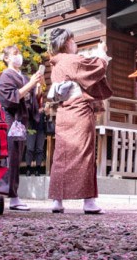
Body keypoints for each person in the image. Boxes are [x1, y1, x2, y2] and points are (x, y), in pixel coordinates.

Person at [46, 29, 113, 214]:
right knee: (85, 154)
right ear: (67, 42)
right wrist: (101, 53)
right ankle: (89, 202)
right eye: (73, 40)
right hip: (79, 112)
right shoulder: (71, 60)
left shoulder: (57, 64)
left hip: (63, 113)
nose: (75, 43)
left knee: (60, 157)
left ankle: (57, 201)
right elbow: (97, 68)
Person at [0, 45, 43, 211]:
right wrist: (31, 84)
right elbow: (10, 99)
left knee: (16, 157)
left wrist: (37, 88)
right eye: (15, 54)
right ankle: (6, 195)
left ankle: (12, 195)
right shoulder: (5, 76)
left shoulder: (22, 77)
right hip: (10, 120)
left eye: (19, 53)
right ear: (6, 58)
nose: (19, 56)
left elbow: (31, 100)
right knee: (9, 156)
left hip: (20, 122)